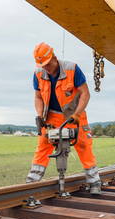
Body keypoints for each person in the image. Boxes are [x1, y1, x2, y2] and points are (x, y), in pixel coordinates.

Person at [26, 42, 102, 194]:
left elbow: (85, 94)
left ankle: (94, 182)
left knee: (83, 144)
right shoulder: (38, 73)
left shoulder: (72, 68)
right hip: (51, 116)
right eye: (43, 65)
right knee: (43, 145)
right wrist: (39, 115)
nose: (46, 67)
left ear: (54, 57)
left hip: (73, 115)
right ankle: (31, 183)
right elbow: (38, 97)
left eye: (47, 64)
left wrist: (77, 114)